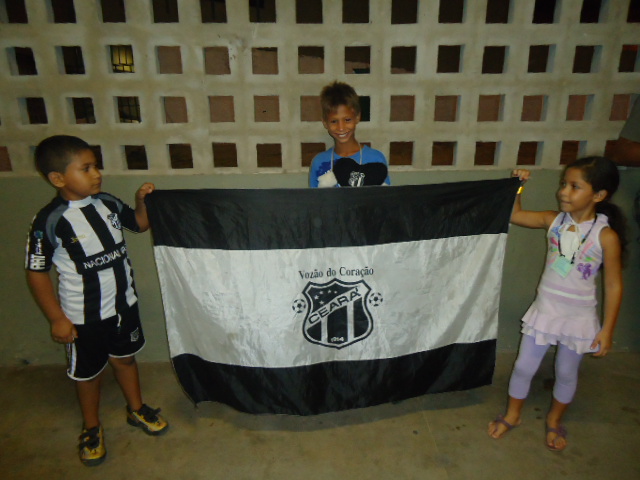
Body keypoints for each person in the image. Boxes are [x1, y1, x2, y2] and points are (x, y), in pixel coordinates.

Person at [25, 135, 168, 467]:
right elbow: (36, 272)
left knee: (126, 360)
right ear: (58, 179)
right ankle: (92, 428)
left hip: (123, 306)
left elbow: (140, 224)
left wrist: (142, 201)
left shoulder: (106, 203)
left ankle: (137, 409)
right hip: (82, 317)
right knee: (88, 375)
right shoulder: (49, 221)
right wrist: (57, 318)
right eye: (86, 168)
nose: (96, 174)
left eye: (96, 166)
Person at [488, 157, 625, 452]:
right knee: (524, 366)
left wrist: (607, 330)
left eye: (575, 186)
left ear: (598, 195)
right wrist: (518, 187)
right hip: (546, 312)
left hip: (578, 318)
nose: (563, 191)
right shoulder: (553, 220)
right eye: (564, 184)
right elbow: (515, 215)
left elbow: (614, 285)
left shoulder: (606, 236)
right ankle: (513, 414)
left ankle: (554, 419)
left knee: (565, 373)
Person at [309, 81, 391, 188]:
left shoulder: (376, 158)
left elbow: (385, 199)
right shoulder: (319, 162)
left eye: (347, 120)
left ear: (357, 117)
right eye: (334, 121)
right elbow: (315, 202)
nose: (341, 127)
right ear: (325, 123)